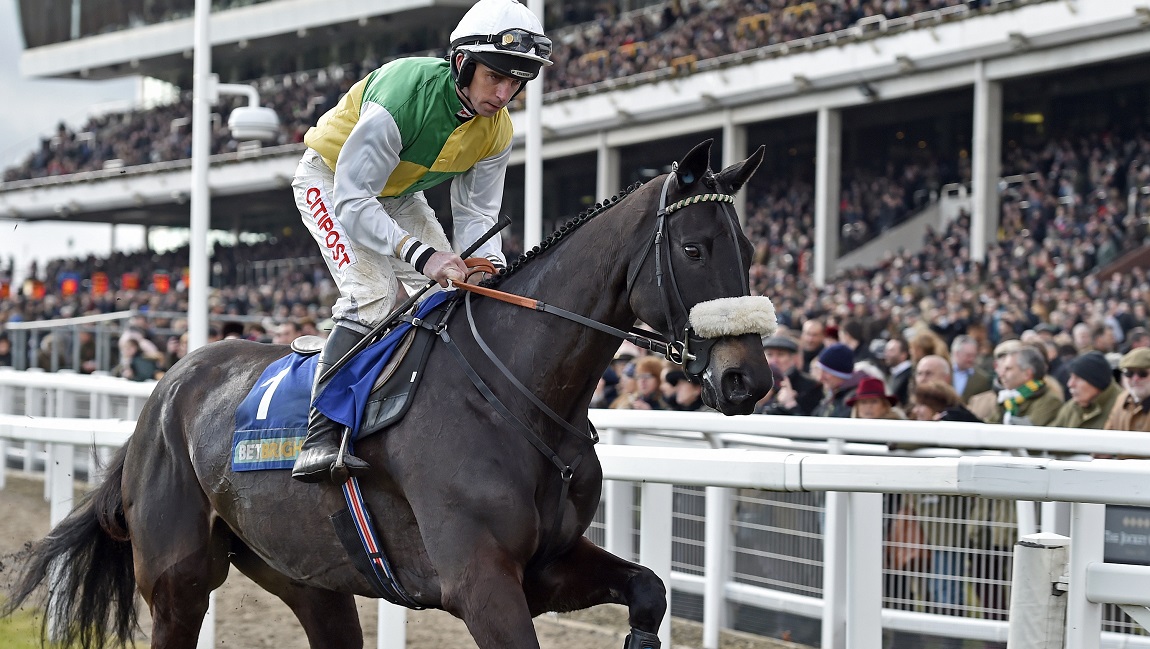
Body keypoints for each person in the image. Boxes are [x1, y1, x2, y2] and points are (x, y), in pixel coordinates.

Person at [289, 0, 553, 483]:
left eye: (517, 81)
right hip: (332, 182)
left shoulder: (497, 131)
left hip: (398, 194)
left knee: (451, 292)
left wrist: (485, 265)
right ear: (462, 62)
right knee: (374, 296)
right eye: (495, 76)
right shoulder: (403, 94)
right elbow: (353, 200)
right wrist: (422, 254)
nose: (504, 93)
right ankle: (321, 432)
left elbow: (476, 213)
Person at [985, 345, 1063, 426]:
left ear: (1027, 374)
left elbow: (1029, 430)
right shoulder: (1008, 399)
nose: (1001, 374)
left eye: (1008, 369)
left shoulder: (1049, 401)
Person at [1050, 351, 1122, 430]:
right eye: (1071, 377)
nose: (1070, 384)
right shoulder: (1071, 407)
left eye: (1078, 378)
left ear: (1096, 382)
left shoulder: (1122, 407)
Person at [760, 335, 822, 416]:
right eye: (769, 355)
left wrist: (790, 403)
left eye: (780, 355)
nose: (774, 361)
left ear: (793, 359)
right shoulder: (758, 384)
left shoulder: (811, 386)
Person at [1104, 347, 1150, 434]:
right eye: (1129, 373)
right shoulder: (1121, 400)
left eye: (1142, 374)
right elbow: (1108, 436)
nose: (1135, 379)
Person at [812, 343, 865, 418]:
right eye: (820, 371)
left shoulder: (853, 400)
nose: (821, 378)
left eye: (826, 372)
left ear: (840, 374)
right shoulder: (832, 395)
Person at [950, 335, 993, 404]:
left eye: (974, 356)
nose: (972, 359)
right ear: (956, 354)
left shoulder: (982, 379)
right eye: (968, 355)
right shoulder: (944, 372)